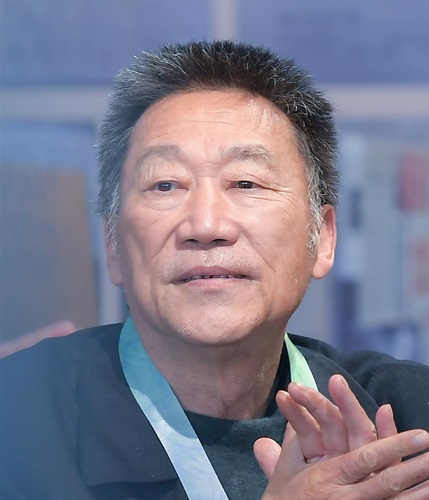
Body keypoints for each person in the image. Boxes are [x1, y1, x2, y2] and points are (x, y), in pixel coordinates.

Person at [0, 40, 428, 499]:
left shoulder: (411, 408)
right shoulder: (18, 422)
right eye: (165, 185)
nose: (206, 226)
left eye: (246, 182)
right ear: (113, 244)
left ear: (322, 238)